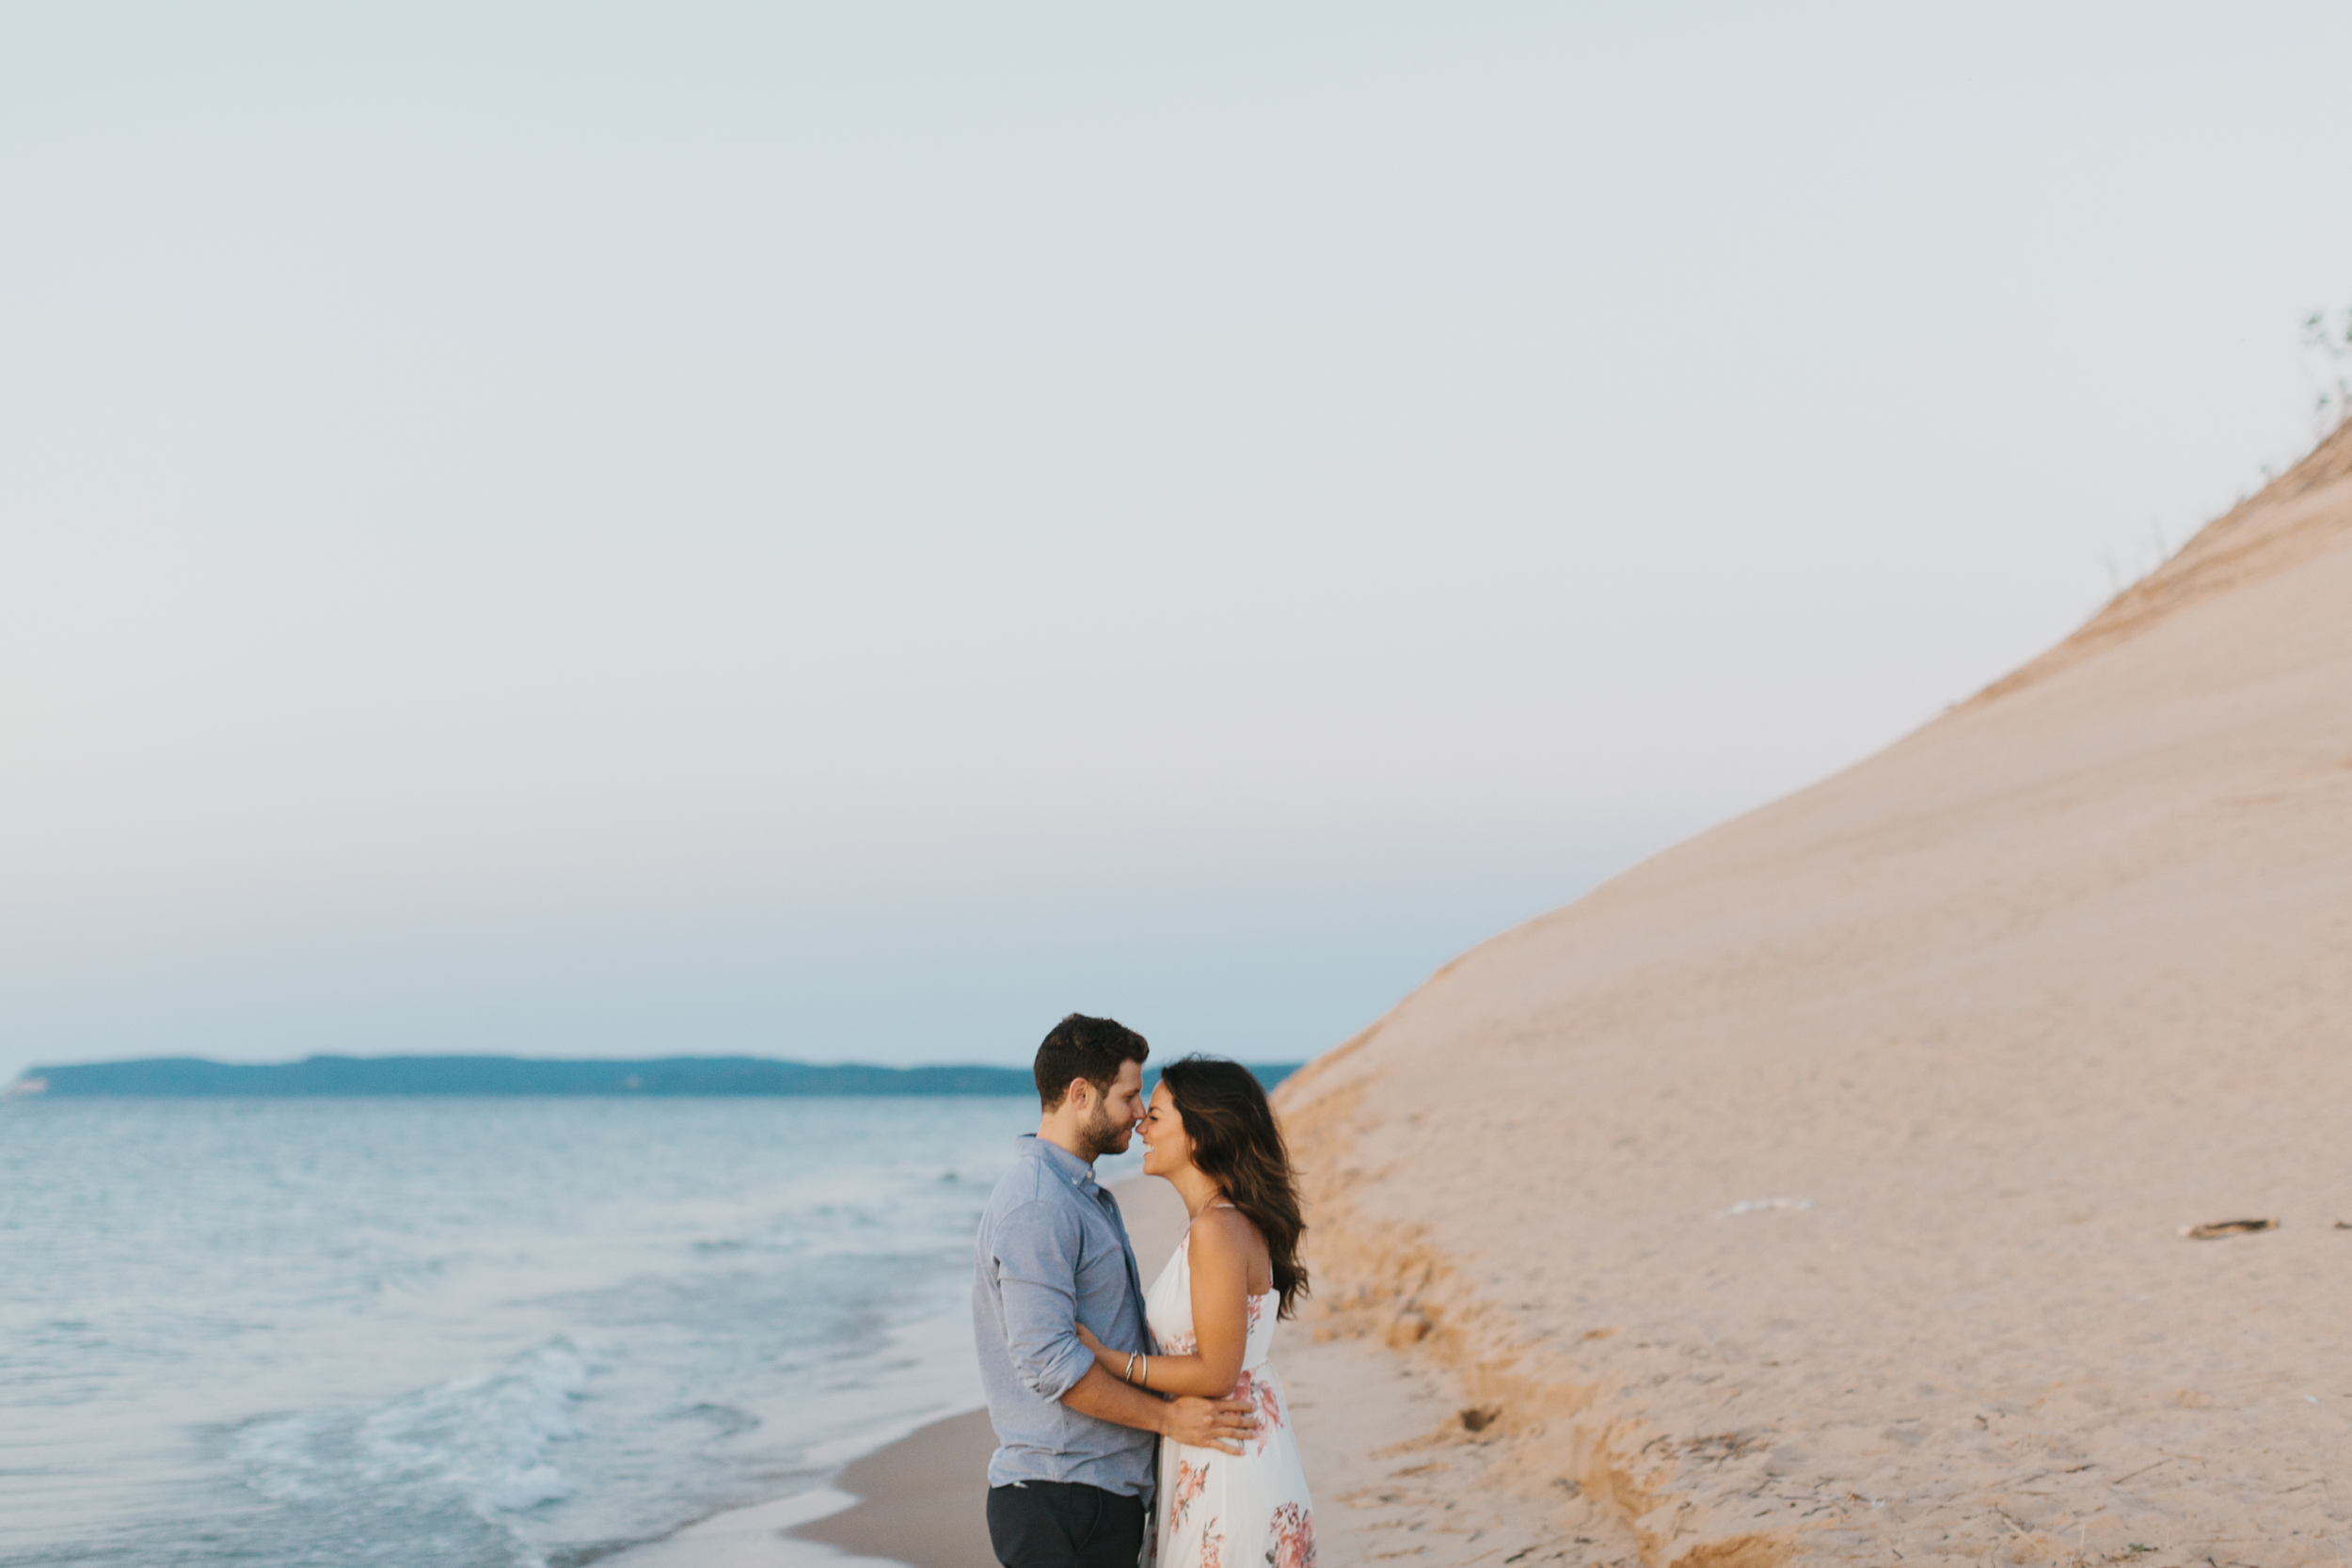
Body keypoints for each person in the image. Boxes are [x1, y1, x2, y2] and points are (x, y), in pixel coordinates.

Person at [974, 1016, 1261, 1568]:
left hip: (1094, 1497)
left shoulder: (1079, 1196)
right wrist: (1167, 1420)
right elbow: (1049, 1362)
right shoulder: (1040, 1204)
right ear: (1080, 1094)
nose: (1138, 1112)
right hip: (1063, 1497)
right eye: (1130, 1096)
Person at [1073, 1053, 1316, 1568]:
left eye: (1156, 1116)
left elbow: (1216, 1369)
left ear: (1199, 1137)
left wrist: (1109, 1359)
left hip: (1229, 1456)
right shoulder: (1217, 1224)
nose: (1140, 1124)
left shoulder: (1217, 1229)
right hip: (1219, 1442)